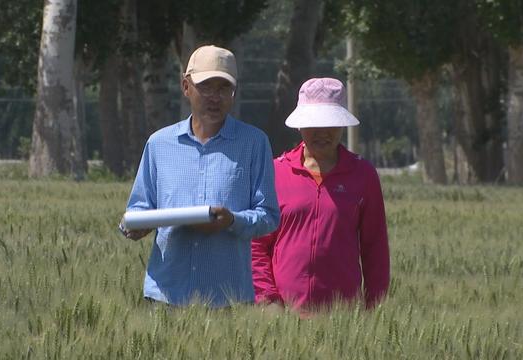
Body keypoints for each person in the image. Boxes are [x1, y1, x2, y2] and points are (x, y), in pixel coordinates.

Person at [120, 45, 280, 308]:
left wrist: (232, 221)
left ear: (234, 93)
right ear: (186, 87)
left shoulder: (254, 143)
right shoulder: (159, 144)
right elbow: (138, 207)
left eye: (223, 88)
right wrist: (135, 227)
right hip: (166, 295)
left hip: (228, 300)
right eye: (206, 87)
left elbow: (269, 215)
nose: (214, 97)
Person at [251, 78, 390, 313]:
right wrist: (267, 299)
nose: (322, 133)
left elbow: (375, 248)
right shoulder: (275, 172)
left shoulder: (363, 175)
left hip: (343, 317)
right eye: (314, 124)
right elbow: (257, 245)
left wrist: (373, 310)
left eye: (331, 124)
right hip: (282, 316)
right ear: (300, 126)